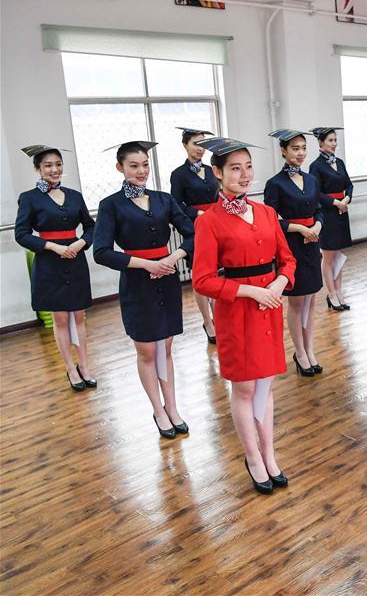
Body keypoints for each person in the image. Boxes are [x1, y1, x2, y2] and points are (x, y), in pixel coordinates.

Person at [192, 137, 296, 495]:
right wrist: (252, 291)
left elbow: (288, 259)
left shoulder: (266, 212)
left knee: (265, 384)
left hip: (269, 306)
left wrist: (281, 283)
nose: (244, 174)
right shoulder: (209, 221)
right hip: (237, 309)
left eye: (248, 166)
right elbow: (202, 279)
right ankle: (252, 457)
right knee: (245, 385)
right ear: (217, 173)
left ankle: (269, 452)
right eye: (235, 168)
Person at [93, 141, 194, 439]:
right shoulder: (110, 205)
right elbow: (101, 252)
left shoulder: (163, 199)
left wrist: (174, 257)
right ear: (120, 168)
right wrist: (145, 264)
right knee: (148, 350)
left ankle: (172, 406)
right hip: (137, 283)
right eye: (133, 166)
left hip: (167, 278)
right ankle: (158, 409)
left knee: (167, 347)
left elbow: (191, 232)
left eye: (145, 165)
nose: (141, 171)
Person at [15, 144, 96, 391]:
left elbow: (90, 227)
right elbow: (22, 234)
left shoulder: (74, 195)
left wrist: (81, 243)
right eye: (48, 165)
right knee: (60, 319)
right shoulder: (29, 198)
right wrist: (53, 247)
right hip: (50, 263)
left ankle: (84, 366)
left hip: (76, 259)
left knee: (80, 316)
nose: (54, 169)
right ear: (38, 168)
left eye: (58, 164)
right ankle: (70, 369)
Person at [264, 128, 329, 378]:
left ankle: (310, 348)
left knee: (312, 300)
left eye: (303, 148)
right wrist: (300, 227)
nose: (300, 153)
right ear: (283, 151)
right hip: (291, 246)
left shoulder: (311, 179)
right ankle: (299, 352)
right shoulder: (275, 183)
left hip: (312, 242)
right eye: (295, 148)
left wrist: (317, 226)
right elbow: (270, 219)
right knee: (297, 301)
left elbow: (319, 210)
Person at [169, 127, 218, 344]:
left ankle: (218, 318)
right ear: (185, 146)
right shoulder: (178, 174)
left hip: (217, 225)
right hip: (196, 227)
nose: (200, 149)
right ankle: (208, 322)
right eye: (195, 144)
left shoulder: (212, 170)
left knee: (216, 274)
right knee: (201, 275)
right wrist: (198, 213)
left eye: (203, 144)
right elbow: (176, 204)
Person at [309, 126, 353, 311]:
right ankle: (331, 293)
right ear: (320, 143)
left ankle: (339, 291)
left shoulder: (340, 162)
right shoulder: (315, 166)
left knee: (338, 257)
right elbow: (315, 192)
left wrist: (346, 199)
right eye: (330, 140)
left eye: (335, 140)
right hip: (328, 213)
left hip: (342, 212)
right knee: (328, 257)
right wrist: (336, 203)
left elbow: (349, 184)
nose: (334, 144)